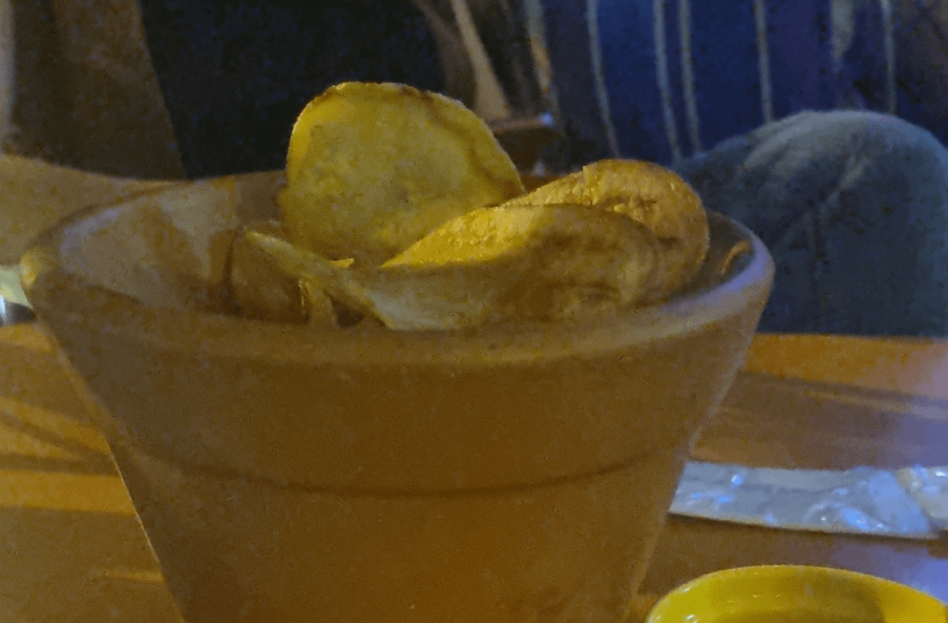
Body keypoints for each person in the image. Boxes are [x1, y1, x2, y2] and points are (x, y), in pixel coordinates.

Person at [2, 0, 947, 337]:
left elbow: (494, 145)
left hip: (492, 306)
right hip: (227, 346)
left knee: (874, 175)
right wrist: (272, 247)